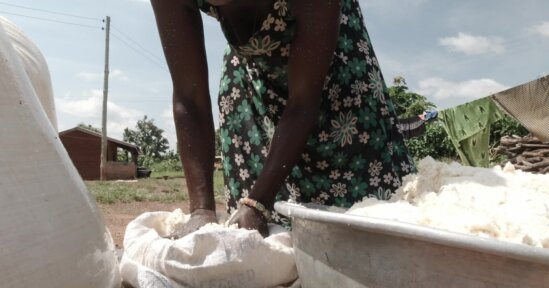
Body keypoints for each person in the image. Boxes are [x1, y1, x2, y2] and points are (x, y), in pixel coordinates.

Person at [151, 0, 414, 237]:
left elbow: (303, 100)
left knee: (359, 221)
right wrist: (202, 210)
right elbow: (189, 97)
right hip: (255, 65)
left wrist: (257, 203)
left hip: (336, 64)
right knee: (250, 233)